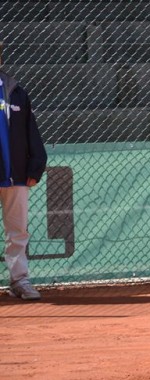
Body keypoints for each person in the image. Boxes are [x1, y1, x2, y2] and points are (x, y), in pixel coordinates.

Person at [0, 64, 47, 301]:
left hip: (15, 172)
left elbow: (31, 130)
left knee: (17, 230)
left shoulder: (15, 91)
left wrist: (37, 163)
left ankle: (19, 280)